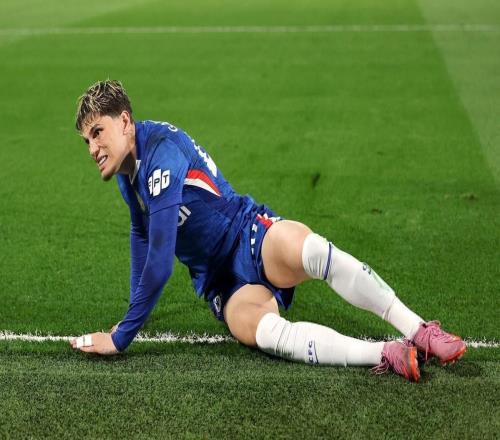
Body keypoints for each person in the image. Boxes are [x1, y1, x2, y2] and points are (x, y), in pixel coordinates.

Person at [70, 80, 466, 381]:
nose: (92, 149)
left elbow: (159, 262)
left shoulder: (161, 154)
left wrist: (121, 336)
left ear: (125, 121)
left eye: (98, 132)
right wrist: (132, 309)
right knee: (268, 335)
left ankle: (419, 330)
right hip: (221, 282)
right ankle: (386, 353)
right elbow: (141, 233)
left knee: (312, 250)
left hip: (249, 234)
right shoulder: (128, 170)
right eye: (87, 140)